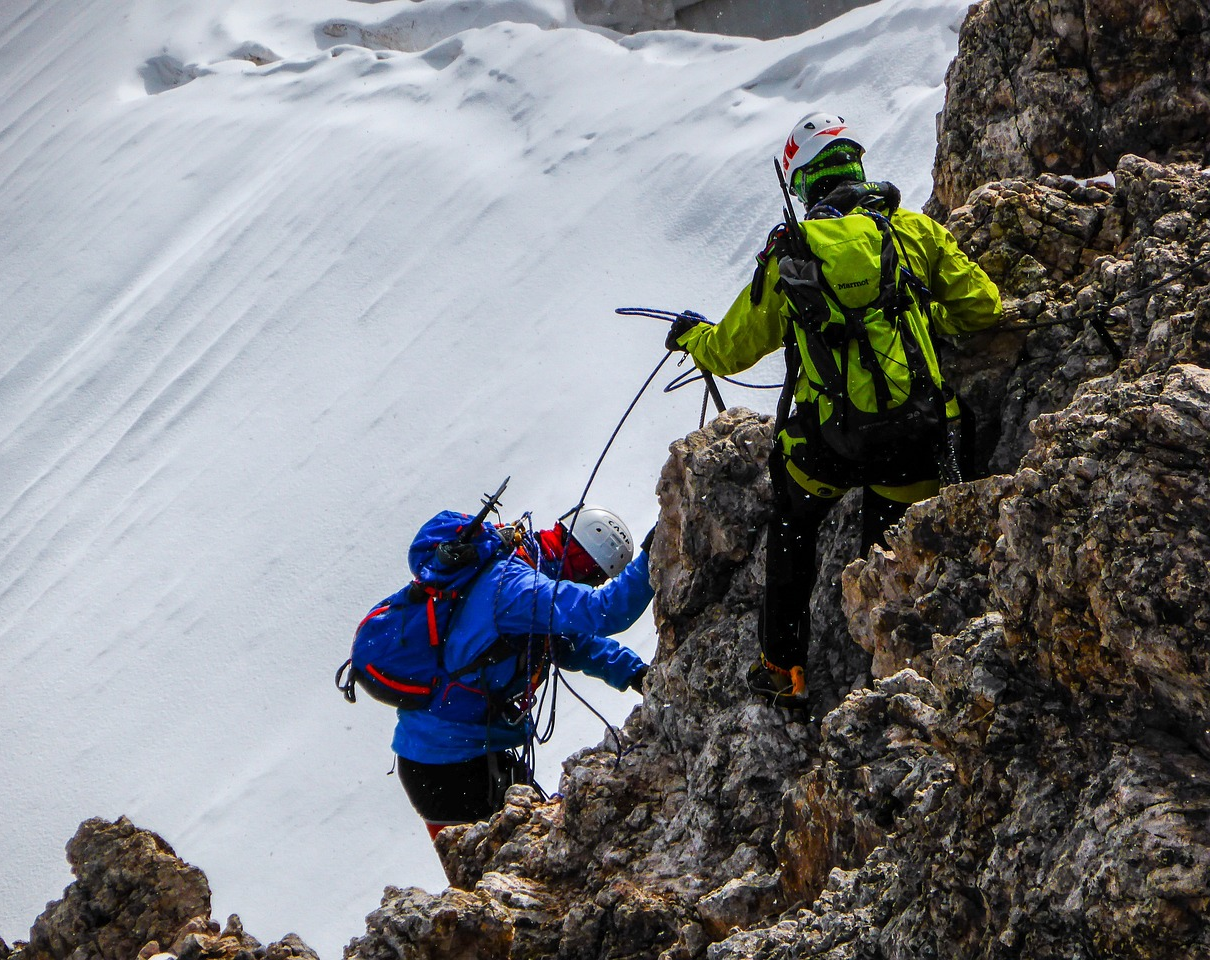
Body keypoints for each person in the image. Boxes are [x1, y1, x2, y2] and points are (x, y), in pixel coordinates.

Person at [666, 111, 1002, 711]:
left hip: (828, 445)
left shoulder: (791, 253)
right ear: (856, 166)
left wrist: (692, 337)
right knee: (892, 547)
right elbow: (982, 307)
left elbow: (729, 350)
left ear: (801, 183)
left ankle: (782, 669)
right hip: (916, 435)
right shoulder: (913, 233)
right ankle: (895, 668)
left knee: (793, 530)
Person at [393, 504, 652, 838]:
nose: (592, 585)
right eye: (595, 578)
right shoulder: (517, 587)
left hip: (443, 756)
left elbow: (569, 643)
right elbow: (606, 611)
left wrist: (634, 673)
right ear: (584, 565)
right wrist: (652, 558)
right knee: (497, 867)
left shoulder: (517, 569)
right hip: (451, 764)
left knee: (509, 859)